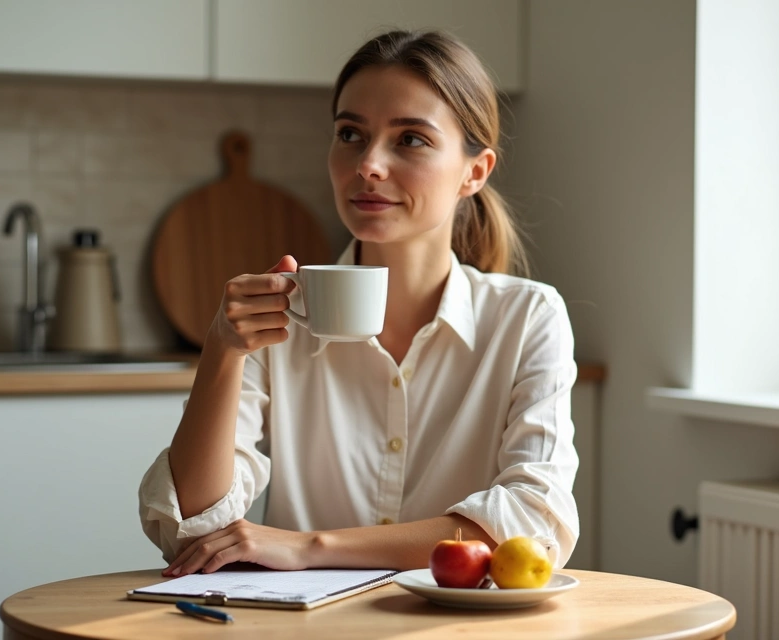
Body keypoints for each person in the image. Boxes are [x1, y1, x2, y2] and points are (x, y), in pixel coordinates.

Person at [139, 29, 579, 577]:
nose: (368, 163)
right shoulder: (273, 322)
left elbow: (533, 520)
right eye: (350, 133)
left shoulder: (528, 318)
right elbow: (191, 532)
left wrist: (311, 547)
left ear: (475, 171)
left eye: (410, 139)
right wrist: (222, 352)